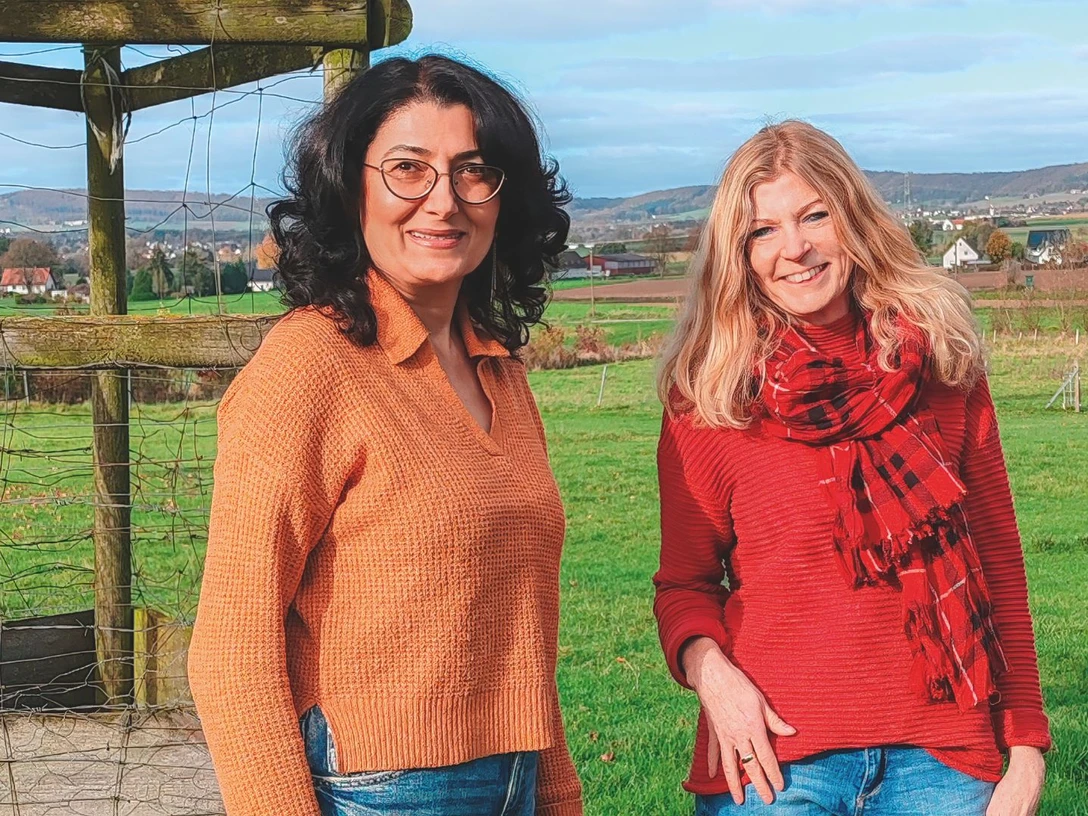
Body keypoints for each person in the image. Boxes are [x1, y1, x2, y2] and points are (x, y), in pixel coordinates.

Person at [187, 55, 583, 816]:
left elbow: (519, 632)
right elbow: (231, 651)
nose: (443, 202)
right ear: (350, 185)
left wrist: (557, 792)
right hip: (378, 793)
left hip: (515, 783)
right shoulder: (309, 367)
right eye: (409, 168)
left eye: (474, 171)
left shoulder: (499, 371)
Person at [653, 120, 1050, 816]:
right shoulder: (708, 399)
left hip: (945, 764)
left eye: (814, 216)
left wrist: (1025, 749)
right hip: (777, 766)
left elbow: (999, 564)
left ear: (854, 221)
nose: (795, 248)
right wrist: (712, 676)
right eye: (763, 231)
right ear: (737, 255)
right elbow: (684, 586)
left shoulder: (944, 367)